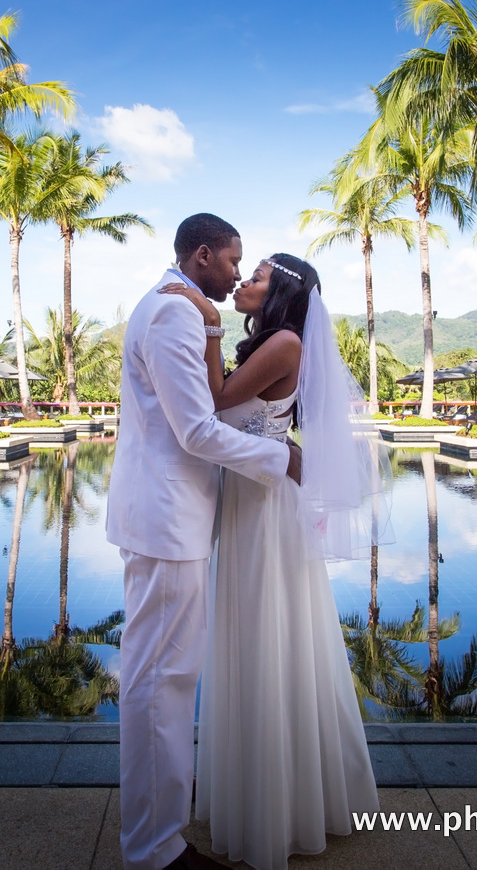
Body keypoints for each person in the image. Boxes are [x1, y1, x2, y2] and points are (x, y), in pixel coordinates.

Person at [161, 252, 382, 870]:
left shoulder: (284, 342)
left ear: (280, 292)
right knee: (262, 637)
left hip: (263, 511)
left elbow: (213, 400)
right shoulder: (272, 341)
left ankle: (274, 806)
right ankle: (266, 788)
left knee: (267, 639)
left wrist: (204, 324)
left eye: (256, 276)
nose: (244, 282)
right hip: (251, 500)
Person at [107, 214, 303, 870]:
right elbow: (196, 429)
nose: (238, 272)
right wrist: (281, 461)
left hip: (168, 516)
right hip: (166, 519)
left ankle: (156, 829)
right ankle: (156, 849)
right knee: (161, 680)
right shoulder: (172, 313)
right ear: (202, 256)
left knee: (161, 677)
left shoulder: (185, 308)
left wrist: (215, 325)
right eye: (232, 260)